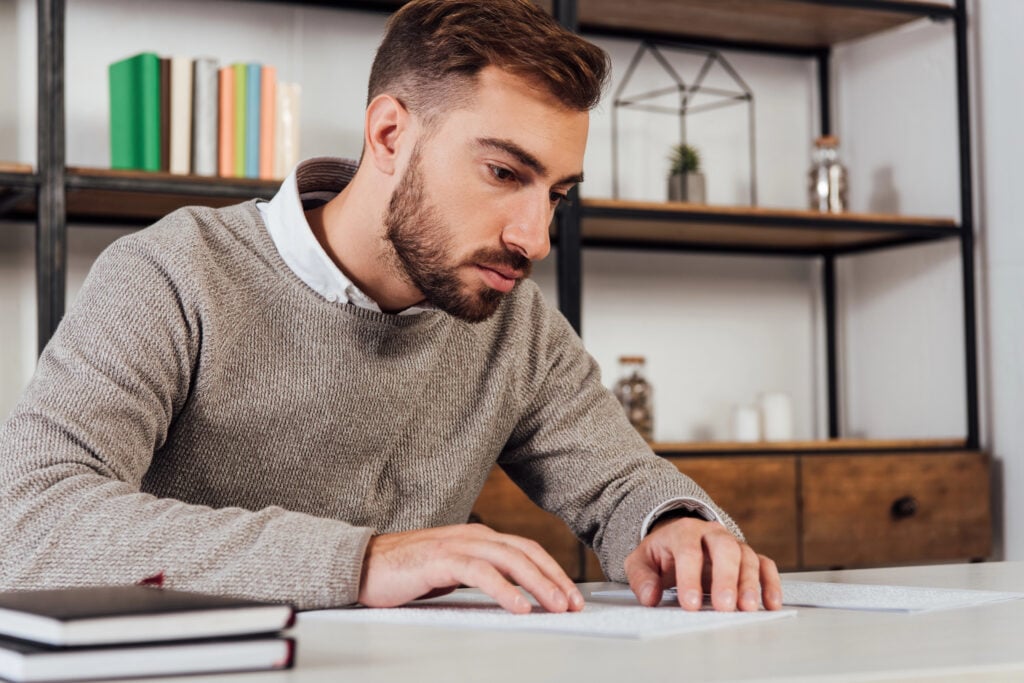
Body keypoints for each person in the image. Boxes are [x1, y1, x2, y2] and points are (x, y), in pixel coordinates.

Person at [0, 0, 781, 614]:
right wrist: (366, 560)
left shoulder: (515, 322)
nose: (536, 237)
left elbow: (621, 485)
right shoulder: (172, 274)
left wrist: (673, 526)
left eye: (558, 196)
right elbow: (27, 522)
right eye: (506, 172)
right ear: (388, 134)